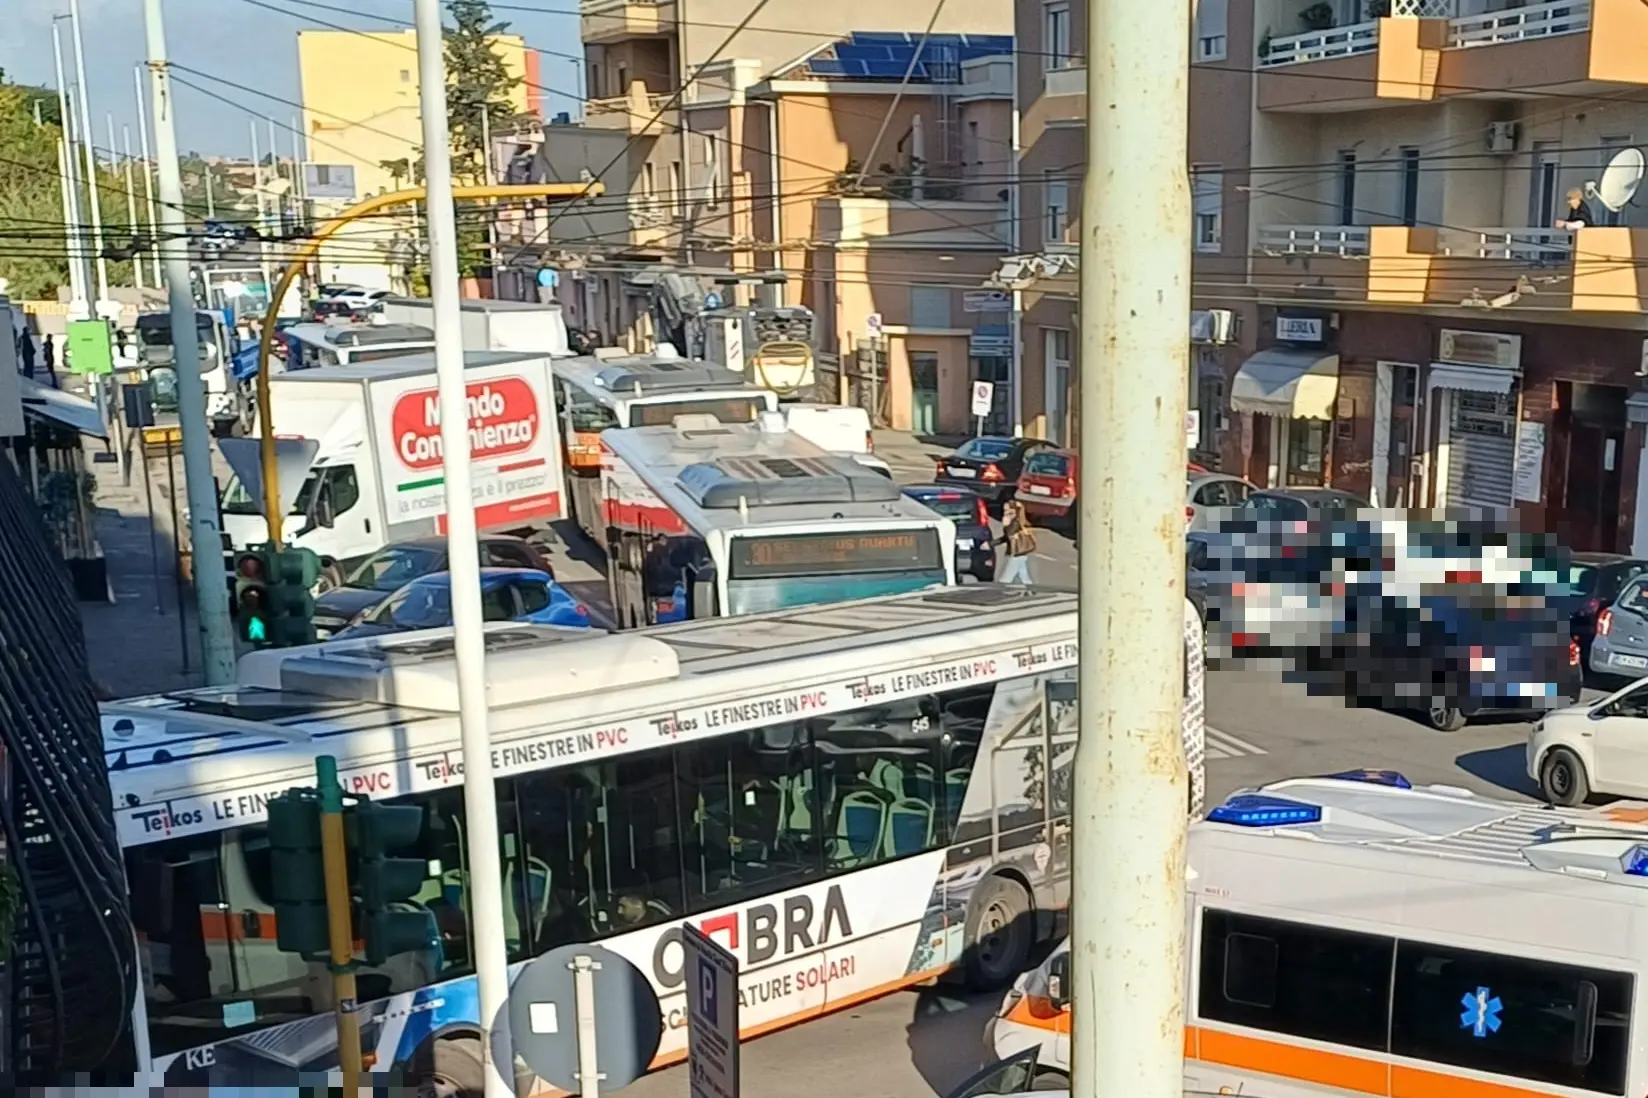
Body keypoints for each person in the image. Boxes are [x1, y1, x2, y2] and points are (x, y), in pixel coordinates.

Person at [995, 500, 1036, 586]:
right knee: (1024, 576)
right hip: (1020, 554)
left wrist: (1006, 525)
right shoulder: (1015, 521)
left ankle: (999, 593)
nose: (1005, 512)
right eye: (1004, 510)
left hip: (1016, 554)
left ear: (1013, 511)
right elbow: (1005, 538)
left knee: (1006, 579)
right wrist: (990, 544)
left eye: (1007, 510)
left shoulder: (1015, 522)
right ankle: (1030, 589)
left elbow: (1009, 533)